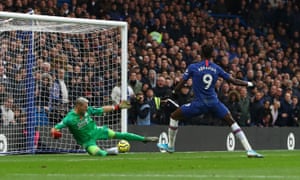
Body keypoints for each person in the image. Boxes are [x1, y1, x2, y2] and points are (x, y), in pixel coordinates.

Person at [157, 44, 263, 158]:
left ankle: (171, 146)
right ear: (212, 54)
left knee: (174, 116)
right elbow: (233, 81)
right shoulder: (216, 68)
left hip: (199, 104)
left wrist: (173, 93)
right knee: (232, 122)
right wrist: (249, 83)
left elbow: (182, 83)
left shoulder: (193, 67)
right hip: (214, 103)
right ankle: (249, 150)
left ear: (201, 53)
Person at [51, 97, 158, 156]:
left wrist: (117, 107)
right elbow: (56, 127)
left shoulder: (87, 109)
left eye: (87, 106)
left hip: (97, 130)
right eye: (84, 107)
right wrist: (54, 132)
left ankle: (144, 139)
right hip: (87, 141)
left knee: (119, 134)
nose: (86, 108)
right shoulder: (69, 119)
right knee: (99, 154)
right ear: (78, 106)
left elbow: (102, 109)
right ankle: (110, 151)